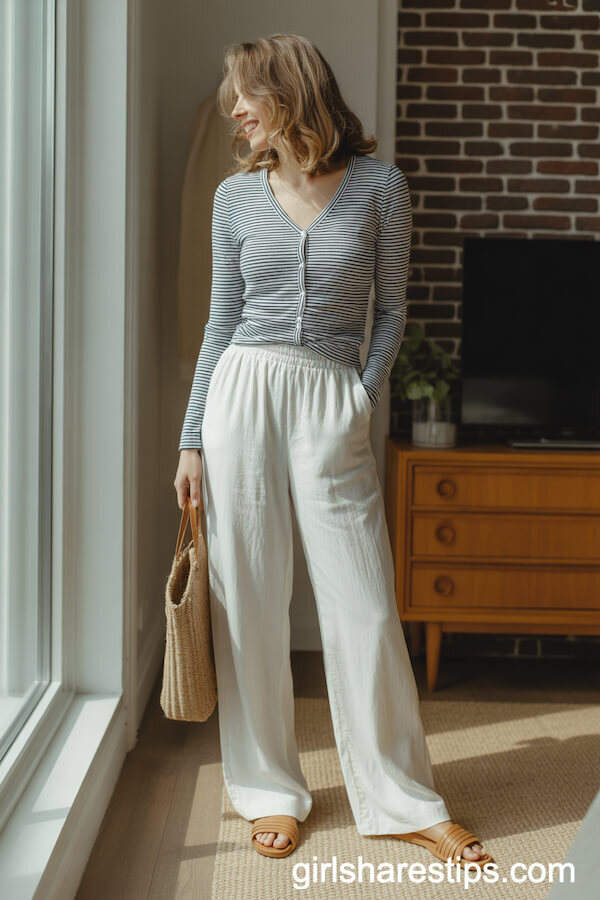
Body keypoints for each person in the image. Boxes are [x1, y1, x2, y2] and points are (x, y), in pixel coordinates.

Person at [173, 33, 493, 868]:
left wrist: (359, 397)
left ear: (288, 91)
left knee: (364, 604)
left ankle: (401, 797)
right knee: (247, 595)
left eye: (246, 91)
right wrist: (191, 438)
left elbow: (390, 312)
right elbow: (219, 323)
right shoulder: (234, 198)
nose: (233, 107)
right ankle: (269, 789)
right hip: (242, 392)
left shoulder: (381, 187)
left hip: (331, 397)